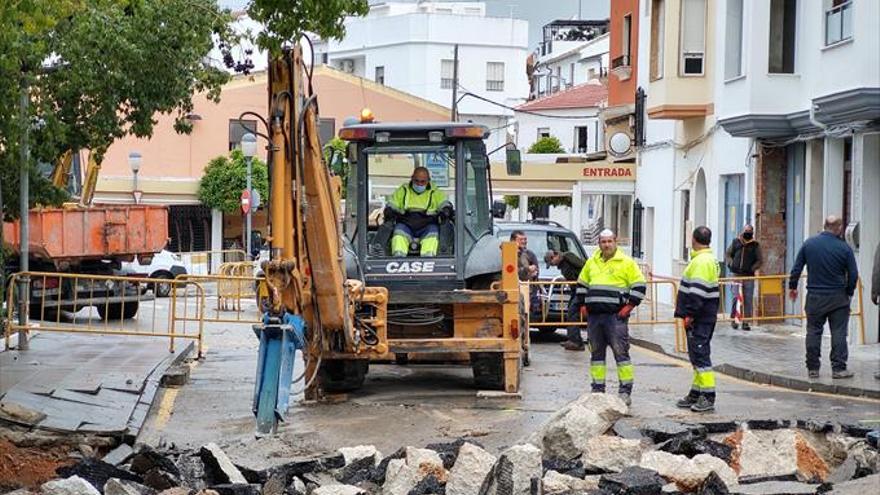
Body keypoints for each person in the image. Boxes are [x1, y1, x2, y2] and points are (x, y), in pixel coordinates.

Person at [577, 229, 646, 406]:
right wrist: (583, 305)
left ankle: (625, 391)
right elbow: (582, 284)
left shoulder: (627, 262)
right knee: (596, 355)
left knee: (621, 354)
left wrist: (629, 307)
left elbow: (639, 285)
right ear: (599, 243)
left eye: (610, 241)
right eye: (603, 242)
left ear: (616, 242)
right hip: (595, 317)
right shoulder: (591, 262)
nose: (606, 245)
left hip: (615, 317)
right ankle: (598, 390)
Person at [789, 215, 859, 380]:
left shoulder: (809, 244)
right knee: (839, 332)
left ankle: (813, 368)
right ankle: (839, 369)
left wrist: (793, 287)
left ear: (824, 225)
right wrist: (848, 292)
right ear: (839, 228)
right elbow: (853, 274)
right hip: (838, 298)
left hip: (814, 297)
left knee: (813, 331)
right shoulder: (844, 248)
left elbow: (796, 268)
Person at [675, 226, 721, 413]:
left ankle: (708, 396)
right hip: (704, 315)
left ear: (694, 239)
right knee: (696, 356)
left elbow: (697, 292)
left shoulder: (701, 262)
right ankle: (696, 392)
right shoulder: (707, 259)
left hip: (700, 317)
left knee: (700, 356)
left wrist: (690, 314)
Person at [385, 167, 453, 257]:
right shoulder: (403, 190)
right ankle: (398, 259)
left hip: (427, 225)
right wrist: (389, 209)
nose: (419, 184)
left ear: (428, 180)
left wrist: (446, 209)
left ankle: (429, 259)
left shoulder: (435, 192)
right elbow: (392, 203)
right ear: (412, 178)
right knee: (398, 233)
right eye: (416, 181)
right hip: (406, 224)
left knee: (432, 235)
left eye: (423, 182)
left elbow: (443, 203)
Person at [545, 249, 587, 351]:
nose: (553, 265)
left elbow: (583, 267)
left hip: (581, 288)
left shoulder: (568, 256)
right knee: (571, 311)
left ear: (555, 256)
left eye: (551, 262)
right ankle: (573, 339)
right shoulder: (563, 264)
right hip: (576, 289)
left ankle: (576, 341)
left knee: (572, 312)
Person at [725, 224, 762, 330]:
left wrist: (752, 268)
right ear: (742, 231)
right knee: (735, 297)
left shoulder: (755, 245)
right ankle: (734, 319)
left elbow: (760, 260)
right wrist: (731, 264)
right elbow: (728, 254)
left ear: (752, 232)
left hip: (748, 276)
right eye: (746, 230)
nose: (747, 232)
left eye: (750, 231)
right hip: (736, 274)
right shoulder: (736, 242)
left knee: (748, 299)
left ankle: (746, 322)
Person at [512, 230, 541, 313]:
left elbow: (536, 270)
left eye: (525, 239)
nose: (524, 242)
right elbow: (512, 272)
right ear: (513, 241)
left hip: (528, 290)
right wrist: (527, 269)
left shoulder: (529, 254)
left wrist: (534, 272)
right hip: (513, 289)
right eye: (521, 239)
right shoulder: (507, 254)